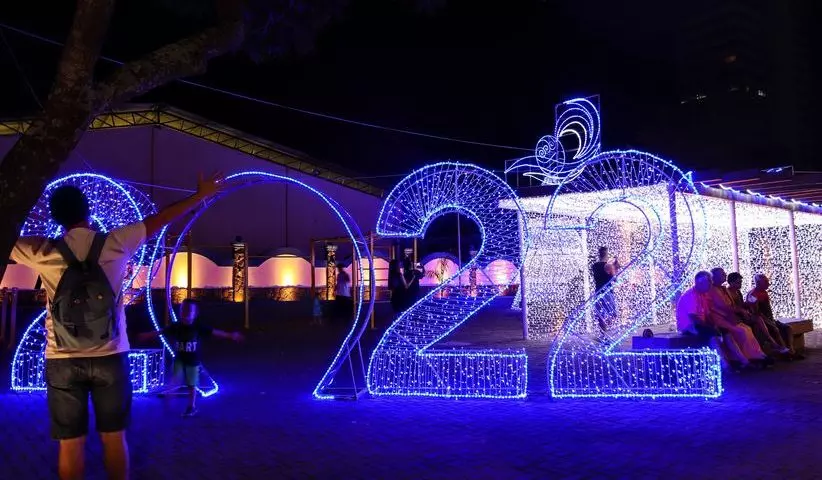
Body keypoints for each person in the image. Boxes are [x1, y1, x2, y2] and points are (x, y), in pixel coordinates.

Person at [9, 172, 225, 480]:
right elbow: (160, 219)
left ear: (56, 217)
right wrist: (199, 195)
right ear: (87, 211)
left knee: (69, 445)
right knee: (114, 439)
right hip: (112, 355)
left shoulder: (43, 251)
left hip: (62, 358)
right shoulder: (115, 242)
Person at [138, 299, 242, 416]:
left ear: (195, 314)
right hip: (179, 360)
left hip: (193, 362)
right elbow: (161, 331)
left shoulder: (198, 327)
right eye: (183, 310)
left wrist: (230, 335)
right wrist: (148, 335)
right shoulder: (176, 326)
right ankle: (168, 402)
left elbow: (214, 332)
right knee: (174, 381)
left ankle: (191, 406)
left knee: (191, 385)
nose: (186, 313)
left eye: (189, 311)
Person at [707, 268, 773, 368]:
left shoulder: (723, 289)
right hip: (720, 318)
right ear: (714, 277)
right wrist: (739, 312)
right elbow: (722, 307)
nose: (725, 275)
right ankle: (747, 357)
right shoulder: (713, 290)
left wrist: (742, 309)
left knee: (747, 329)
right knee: (741, 331)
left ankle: (757, 354)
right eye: (722, 274)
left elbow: (733, 305)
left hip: (730, 316)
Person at [726, 272, 790, 356]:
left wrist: (748, 304)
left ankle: (786, 349)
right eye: (738, 282)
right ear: (731, 282)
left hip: (749, 315)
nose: (740, 284)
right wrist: (748, 308)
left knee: (785, 328)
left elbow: (742, 305)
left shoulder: (738, 292)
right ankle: (775, 345)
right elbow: (732, 307)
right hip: (738, 317)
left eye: (741, 282)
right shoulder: (729, 293)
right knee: (766, 324)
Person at [747, 274, 803, 360]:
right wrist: (769, 322)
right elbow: (756, 313)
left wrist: (772, 320)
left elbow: (768, 310)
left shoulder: (764, 292)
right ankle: (786, 353)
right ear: (758, 283)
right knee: (775, 329)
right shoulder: (753, 295)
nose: (768, 283)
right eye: (765, 282)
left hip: (770, 319)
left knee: (788, 328)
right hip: (762, 322)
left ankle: (791, 350)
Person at [591, 246, 620, 336]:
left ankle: (603, 334)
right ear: (606, 254)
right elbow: (615, 279)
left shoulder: (594, 266)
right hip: (607, 293)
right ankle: (606, 333)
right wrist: (615, 267)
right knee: (612, 315)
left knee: (600, 316)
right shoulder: (608, 266)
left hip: (598, 293)